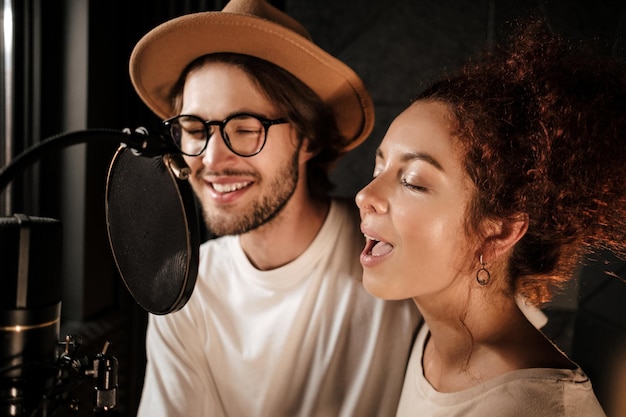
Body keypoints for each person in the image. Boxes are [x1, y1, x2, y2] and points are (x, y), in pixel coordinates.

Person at [128, 1, 419, 416]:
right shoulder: (186, 291)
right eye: (194, 130)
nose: (210, 159)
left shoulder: (392, 257)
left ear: (308, 140)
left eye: (244, 129)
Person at [355, 18, 626, 417]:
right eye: (379, 170)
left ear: (499, 231)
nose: (366, 195)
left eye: (412, 181)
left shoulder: (543, 410)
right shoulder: (434, 338)